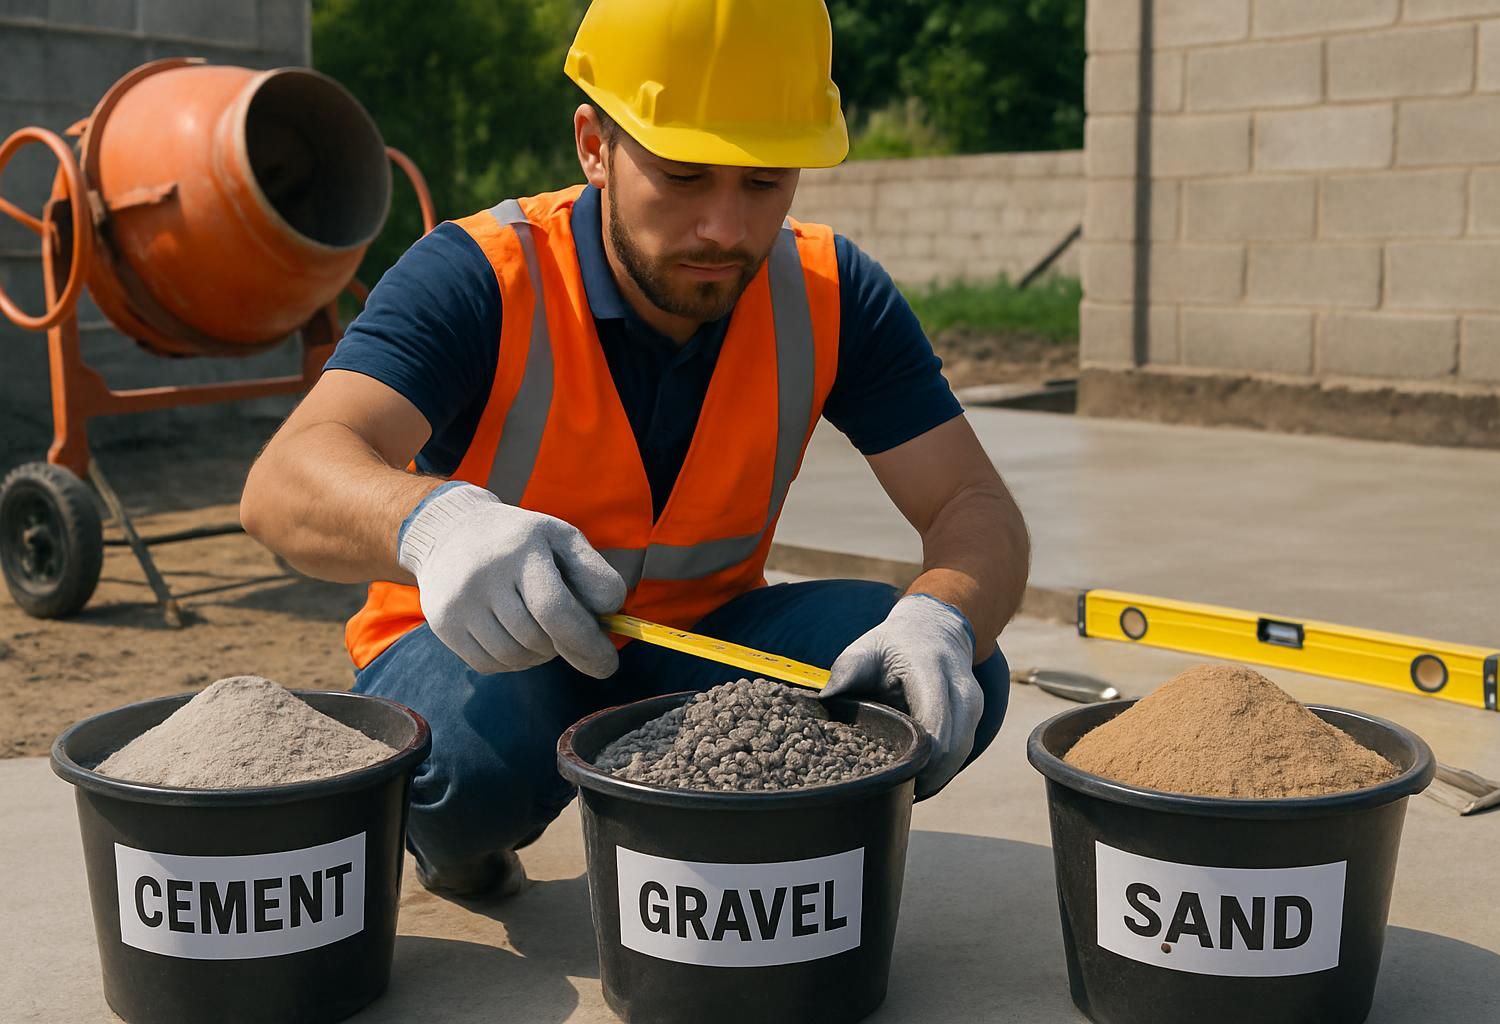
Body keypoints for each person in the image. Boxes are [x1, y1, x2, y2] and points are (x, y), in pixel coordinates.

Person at [241, 0, 1029, 901]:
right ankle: (460, 840)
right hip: (485, 650)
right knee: (467, 774)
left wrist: (943, 617)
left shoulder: (832, 292)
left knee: (956, 676)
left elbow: (974, 507)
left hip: (704, 643)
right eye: (684, 175)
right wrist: (434, 524)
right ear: (593, 144)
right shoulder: (480, 274)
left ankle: (736, 847)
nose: (725, 229)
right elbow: (284, 480)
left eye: (764, 183)